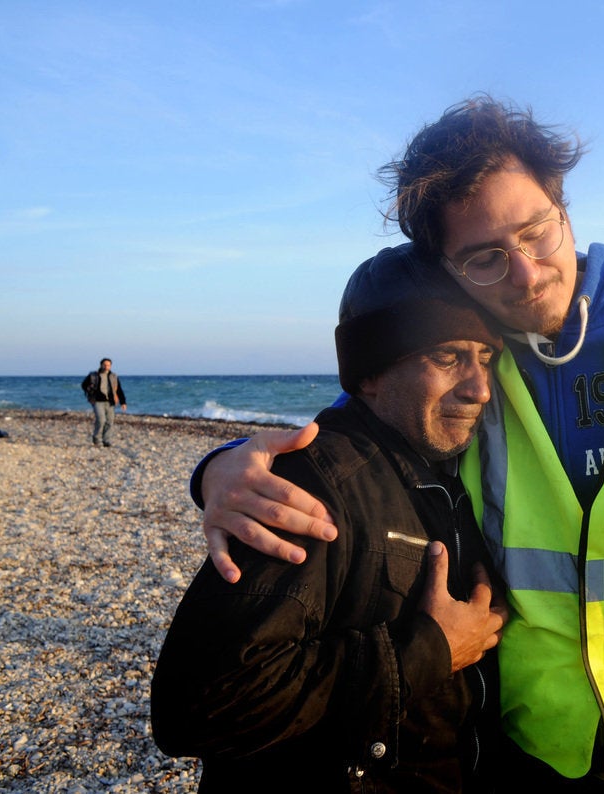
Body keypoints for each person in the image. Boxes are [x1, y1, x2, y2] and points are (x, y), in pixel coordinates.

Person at [193, 97, 604, 792]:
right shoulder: (469, 360)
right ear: (448, 269)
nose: (527, 274)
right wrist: (219, 467)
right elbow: (350, 436)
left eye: (537, 232)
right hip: (535, 747)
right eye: (484, 259)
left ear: (564, 209)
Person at [151, 246, 508, 792]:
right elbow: (201, 706)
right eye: (447, 357)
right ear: (369, 373)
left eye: (486, 357)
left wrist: (213, 465)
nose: (479, 386)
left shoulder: (457, 465)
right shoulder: (313, 490)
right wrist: (429, 650)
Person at [80, 357, 126, 447]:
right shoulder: (93, 375)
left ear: (111, 366)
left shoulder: (114, 376)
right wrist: (89, 390)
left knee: (109, 421)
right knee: (101, 420)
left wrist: (123, 402)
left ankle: (106, 440)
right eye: (105, 365)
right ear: (101, 365)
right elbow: (83, 385)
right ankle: (96, 439)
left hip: (110, 402)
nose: (106, 367)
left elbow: (119, 389)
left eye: (108, 365)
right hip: (97, 401)